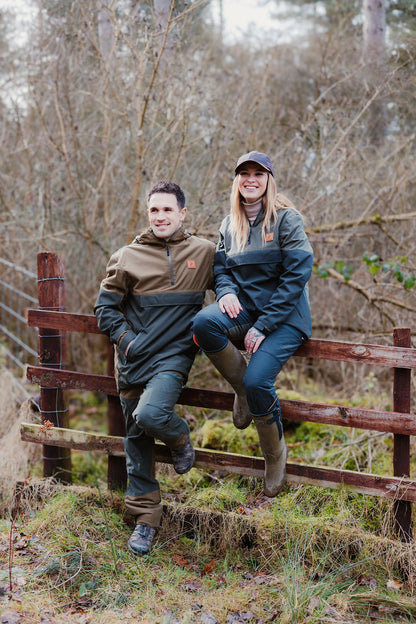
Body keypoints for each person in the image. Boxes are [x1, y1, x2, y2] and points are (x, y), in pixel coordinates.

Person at [94, 180, 215, 555]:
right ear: (148, 214)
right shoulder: (127, 256)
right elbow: (105, 309)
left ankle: (179, 437)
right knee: (137, 441)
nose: (160, 216)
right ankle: (146, 520)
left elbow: (230, 287)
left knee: (151, 415)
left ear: (182, 213)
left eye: (167, 209)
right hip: (133, 361)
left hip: (173, 358)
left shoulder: (205, 252)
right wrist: (127, 342)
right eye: (153, 210)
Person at [192, 151, 313, 497]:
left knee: (260, 381)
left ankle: (274, 455)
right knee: (203, 323)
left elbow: (297, 276)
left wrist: (263, 326)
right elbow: (221, 268)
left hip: (286, 317)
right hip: (246, 309)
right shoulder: (229, 224)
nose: (250, 179)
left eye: (258, 173)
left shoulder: (286, 220)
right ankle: (241, 389)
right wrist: (226, 291)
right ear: (237, 181)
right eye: (244, 173)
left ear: (268, 180)